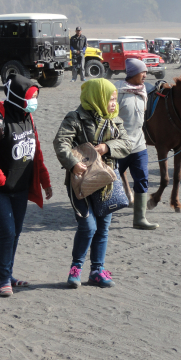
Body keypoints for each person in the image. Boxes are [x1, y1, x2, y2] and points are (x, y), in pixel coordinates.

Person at [0, 74, 52, 297]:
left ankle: (9, 274)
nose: (35, 101)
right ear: (18, 97)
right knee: (7, 231)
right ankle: (3, 280)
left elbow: (36, 152)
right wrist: (2, 180)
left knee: (15, 232)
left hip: (19, 188)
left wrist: (44, 181)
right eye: (32, 97)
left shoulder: (28, 117)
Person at [53, 79, 132, 289]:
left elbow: (127, 144)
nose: (114, 103)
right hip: (80, 183)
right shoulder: (75, 118)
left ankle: (97, 270)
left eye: (115, 99)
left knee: (103, 228)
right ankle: (75, 268)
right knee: (88, 226)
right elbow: (61, 142)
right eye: (110, 99)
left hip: (105, 183)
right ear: (97, 98)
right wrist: (72, 163)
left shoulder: (115, 121)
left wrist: (107, 147)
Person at [115, 59, 158, 230]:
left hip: (139, 145)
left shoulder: (143, 91)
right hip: (118, 145)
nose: (145, 75)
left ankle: (139, 218)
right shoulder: (117, 90)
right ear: (133, 73)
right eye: (143, 72)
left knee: (142, 179)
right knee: (111, 180)